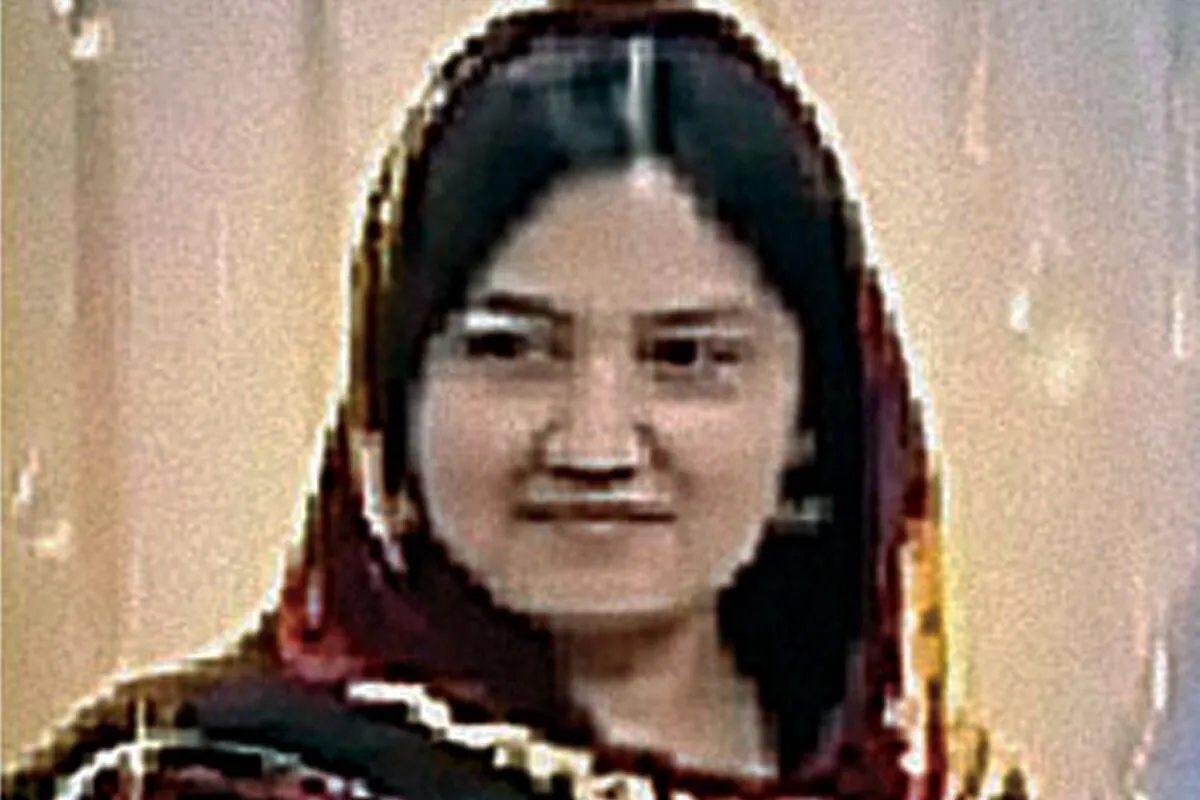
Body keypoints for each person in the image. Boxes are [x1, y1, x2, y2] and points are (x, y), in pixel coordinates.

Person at [3, 2, 981, 797]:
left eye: (687, 357)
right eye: (511, 350)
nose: (595, 445)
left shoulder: (937, 781)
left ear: (813, 415)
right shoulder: (198, 783)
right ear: (391, 398)